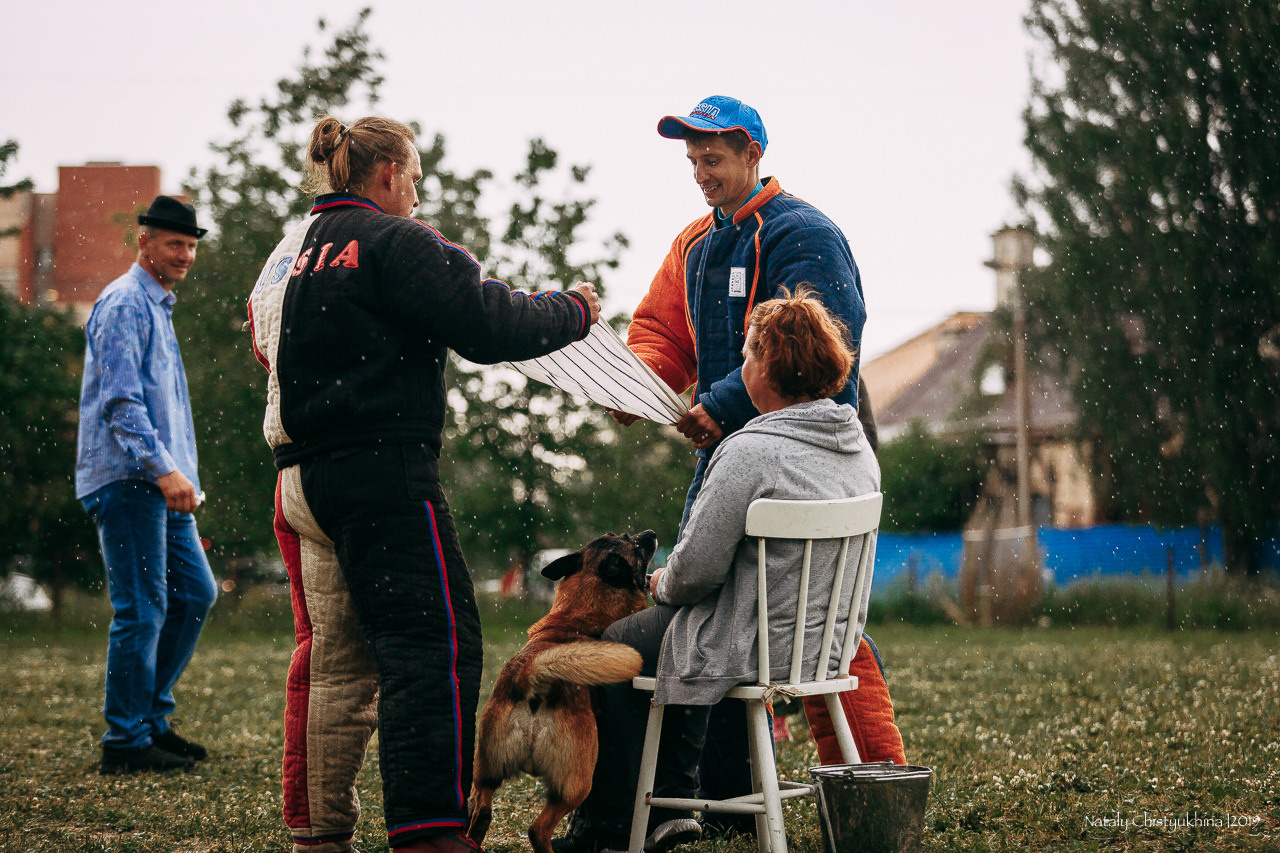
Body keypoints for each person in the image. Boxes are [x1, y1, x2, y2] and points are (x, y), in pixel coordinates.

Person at [248, 115, 601, 853]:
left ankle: (318, 833)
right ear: (387, 174)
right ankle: (428, 831)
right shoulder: (396, 240)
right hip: (380, 473)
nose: (418, 188)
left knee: (333, 666)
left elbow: (262, 342)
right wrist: (573, 310)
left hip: (299, 479)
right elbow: (485, 320)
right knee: (431, 643)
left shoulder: (289, 254)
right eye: (414, 174)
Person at [590, 94, 905, 841]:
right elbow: (659, 330)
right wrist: (639, 386)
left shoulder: (805, 233)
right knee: (764, 624)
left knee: (807, 625)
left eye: (715, 158)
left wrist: (721, 404)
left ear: (754, 153)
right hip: (733, 458)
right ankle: (731, 795)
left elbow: (816, 339)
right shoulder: (694, 244)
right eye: (693, 161)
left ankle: (875, 780)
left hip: (795, 456)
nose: (702, 173)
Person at [567, 290, 882, 853]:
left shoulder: (748, 451)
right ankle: (674, 801)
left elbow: (694, 577)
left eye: (747, 357)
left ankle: (612, 828)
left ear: (769, 363)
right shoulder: (856, 448)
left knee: (615, 650)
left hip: (754, 645)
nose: (742, 369)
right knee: (679, 634)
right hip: (824, 645)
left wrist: (661, 580)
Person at [76, 195, 219, 776]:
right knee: (143, 608)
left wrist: (176, 475)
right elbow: (120, 402)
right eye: (173, 243)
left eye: (190, 245)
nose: (184, 254)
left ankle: (149, 719)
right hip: (131, 480)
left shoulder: (158, 307)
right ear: (144, 242)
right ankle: (125, 740)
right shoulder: (125, 303)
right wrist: (165, 470)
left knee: (195, 595)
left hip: (162, 485)